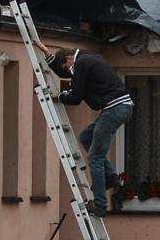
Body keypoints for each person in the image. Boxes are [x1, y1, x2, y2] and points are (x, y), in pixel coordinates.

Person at [35, 39, 133, 218]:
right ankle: (110, 177)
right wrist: (45, 51)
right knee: (86, 137)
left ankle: (100, 205)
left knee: (95, 157)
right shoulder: (86, 58)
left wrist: (60, 96)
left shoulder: (82, 63)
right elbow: (65, 72)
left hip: (115, 109)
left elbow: (75, 97)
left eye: (66, 66)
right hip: (118, 108)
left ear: (70, 58)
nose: (67, 71)